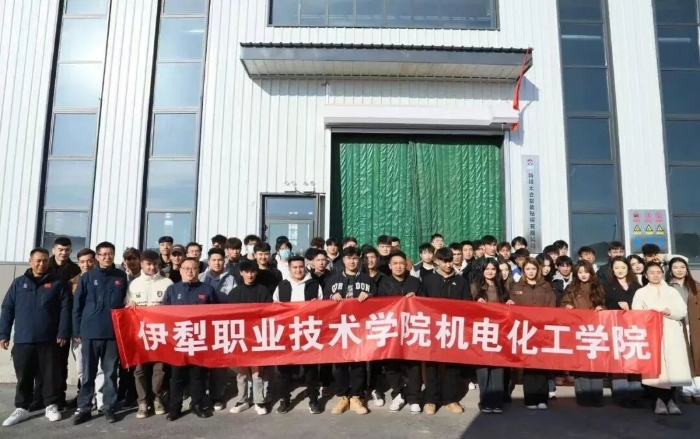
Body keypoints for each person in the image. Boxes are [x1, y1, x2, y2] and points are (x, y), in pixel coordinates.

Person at [0, 248, 70, 426]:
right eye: (38, 260)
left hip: (49, 339)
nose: (42, 264)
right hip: (24, 339)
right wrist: (4, 333)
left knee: (50, 375)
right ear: (30, 261)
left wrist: (63, 332)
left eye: (45, 260)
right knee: (24, 375)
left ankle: (51, 405)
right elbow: (7, 308)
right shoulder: (19, 283)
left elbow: (65, 310)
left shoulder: (57, 283)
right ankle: (22, 408)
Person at [72, 242, 128, 425]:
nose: (107, 257)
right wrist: (76, 330)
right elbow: (77, 305)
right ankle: (85, 407)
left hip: (112, 333)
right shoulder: (88, 277)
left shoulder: (121, 276)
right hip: (90, 331)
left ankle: (108, 406)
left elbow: (126, 302)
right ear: (97, 257)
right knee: (88, 373)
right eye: (103, 254)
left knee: (110, 373)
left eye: (110, 253)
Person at [161, 257, 218, 421]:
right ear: (180, 271)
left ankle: (197, 405)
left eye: (193, 268)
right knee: (176, 376)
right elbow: (164, 315)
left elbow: (215, 314)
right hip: (178, 340)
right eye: (186, 268)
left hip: (199, 340)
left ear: (198, 270)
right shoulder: (172, 290)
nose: (190, 271)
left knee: (197, 375)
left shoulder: (207, 290)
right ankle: (175, 407)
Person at [633, 262, 691, 415]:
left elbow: (682, 310)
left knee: (673, 367)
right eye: (651, 272)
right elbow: (636, 313)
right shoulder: (641, 292)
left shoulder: (671, 291)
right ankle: (659, 400)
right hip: (651, 333)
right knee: (656, 368)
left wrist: (670, 311)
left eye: (658, 272)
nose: (655, 275)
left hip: (671, 331)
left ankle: (671, 400)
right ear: (646, 275)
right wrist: (649, 316)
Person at [324, 246, 375, 415]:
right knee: (340, 363)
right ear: (343, 260)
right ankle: (343, 396)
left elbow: (379, 301)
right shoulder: (333, 280)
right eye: (349, 258)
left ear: (359, 260)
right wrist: (331, 297)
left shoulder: (367, 280)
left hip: (360, 327)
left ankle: (356, 396)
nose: (352, 261)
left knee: (358, 363)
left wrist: (369, 296)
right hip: (339, 327)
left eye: (355, 258)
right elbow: (323, 300)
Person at [420, 247, 471, 415]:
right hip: (432, 329)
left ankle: (450, 399)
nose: (448, 265)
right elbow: (421, 303)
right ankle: (431, 399)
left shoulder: (461, 281)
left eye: (450, 261)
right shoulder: (428, 280)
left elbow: (467, 303)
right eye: (445, 261)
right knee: (431, 365)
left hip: (453, 328)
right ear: (437, 261)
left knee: (452, 366)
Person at [124, 250, 173, 419]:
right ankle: (143, 402)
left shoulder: (167, 283)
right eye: (148, 264)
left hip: (160, 333)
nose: (152, 267)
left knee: (159, 369)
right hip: (140, 333)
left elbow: (174, 308)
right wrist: (129, 305)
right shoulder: (134, 284)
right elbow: (126, 307)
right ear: (142, 264)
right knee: (140, 370)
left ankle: (157, 399)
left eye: (155, 264)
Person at [272, 256, 323, 414]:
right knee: (285, 370)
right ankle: (285, 400)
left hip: (308, 332)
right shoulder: (282, 286)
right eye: (294, 267)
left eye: (301, 267)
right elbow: (274, 307)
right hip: (287, 333)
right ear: (289, 269)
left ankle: (313, 400)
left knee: (310, 371)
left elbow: (322, 307)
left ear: (305, 267)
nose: (298, 270)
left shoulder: (314, 284)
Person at [376, 250, 422, 414]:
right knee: (391, 366)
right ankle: (398, 394)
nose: (398, 266)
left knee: (413, 366)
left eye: (401, 263)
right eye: (395, 264)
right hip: (392, 332)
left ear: (406, 265)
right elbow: (378, 306)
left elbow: (426, 303)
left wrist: (416, 299)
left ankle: (414, 398)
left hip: (412, 330)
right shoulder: (384, 283)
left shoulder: (415, 282)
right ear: (389, 266)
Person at [508, 257, 556, 410]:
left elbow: (552, 306)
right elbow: (513, 308)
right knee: (528, 366)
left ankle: (542, 398)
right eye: (528, 269)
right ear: (523, 270)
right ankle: (530, 399)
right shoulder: (517, 286)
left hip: (542, 330)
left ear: (538, 270)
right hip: (525, 331)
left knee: (541, 364)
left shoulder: (545, 286)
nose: (531, 272)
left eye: (533, 269)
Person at [226, 260, 273, 415]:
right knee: (241, 372)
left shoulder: (263, 291)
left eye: (252, 271)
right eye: (246, 272)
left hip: (257, 335)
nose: (250, 275)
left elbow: (269, 312)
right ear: (241, 273)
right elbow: (228, 316)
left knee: (257, 372)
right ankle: (242, 400)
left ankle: (259, 401)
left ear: (256, 272)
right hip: (239, 336)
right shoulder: (234, 293)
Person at [42, 237, 81, 411]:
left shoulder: (75, 270)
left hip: (64, 321)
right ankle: (39, 397)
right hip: (44, 320)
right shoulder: (44, 266)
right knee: (41, 361)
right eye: (60, 250)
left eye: (66, 250)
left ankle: (59, 398)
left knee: (60, 362)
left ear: (71, 251)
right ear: (54, 250)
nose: (63, 253)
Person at [561, 261, 606, 407]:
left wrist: (601, 307)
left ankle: (596, 396)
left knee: (596, 363)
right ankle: (583, 395)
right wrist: (567, 306)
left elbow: (606, 304)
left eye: (586, 272)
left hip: (596, 329)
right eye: (580, 272)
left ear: (591, 273)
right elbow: (564, 304)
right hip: (578, 330)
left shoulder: (598, 287)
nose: (583, 275)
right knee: (580, 363)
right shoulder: (571, 288)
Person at [199, 247, 237, 411]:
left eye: (220, 260)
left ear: (225, 261)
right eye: (214, 260)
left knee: (219, 362)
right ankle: (199, 396)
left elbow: (235, 302)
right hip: (202, 325)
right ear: (208, 261)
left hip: (222, 325)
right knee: (200, 363)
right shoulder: (201, 277)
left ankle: (217, 396)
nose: (217, 263)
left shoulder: (232, 279)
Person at [604, 256, 644, 408]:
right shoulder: (607, 286)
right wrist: (616, 304)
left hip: (634, 328)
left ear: (628, 268)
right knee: (619, 360)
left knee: (633, 359)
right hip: (616, 327)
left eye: (623, 267)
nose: (620, 270)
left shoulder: (637, 286)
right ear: (612, 270)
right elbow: (603, 303)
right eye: (616, 268)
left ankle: (636, 394)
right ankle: (621, 394)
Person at [470, 258, 508, 414]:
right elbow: (467, 307)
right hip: (482, 330)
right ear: (482, 271)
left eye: (493, 269)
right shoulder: (475, 286)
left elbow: (506, 305)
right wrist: (475, 303)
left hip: (499, 331)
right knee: (483, 368)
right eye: (487, 269)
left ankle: (497, 401)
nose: (490, 272)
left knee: (498, 367)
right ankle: (485, 401)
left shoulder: (502, 286)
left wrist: (509, 303)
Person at [71, 249, 104, 414]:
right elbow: (72, 308)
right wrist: (75, 330)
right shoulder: (72, 282)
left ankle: (101, 400)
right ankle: (87, 400)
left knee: (100, 369)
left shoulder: (102, 279)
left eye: (89, 261)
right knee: (82, 368)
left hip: (98, 330)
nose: (86, 265)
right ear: (78, 263)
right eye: (82, 262)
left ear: (95, 261)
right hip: (79, 332)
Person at [666, 257, 700, 403]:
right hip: (677, 326)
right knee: (683, 358)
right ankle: (686, 389)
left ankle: (698, 390)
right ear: (670, 270)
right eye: (675, 267)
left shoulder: (695, 286)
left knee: (697, 357)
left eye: (682, 267)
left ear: (687, 269)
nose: (679, 270)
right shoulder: (667, 288)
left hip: (695, 325)